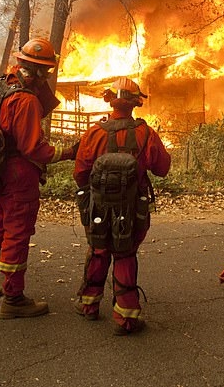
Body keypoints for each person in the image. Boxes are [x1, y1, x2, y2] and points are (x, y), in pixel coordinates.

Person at [0, 38, 77, 318]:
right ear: (39, 72)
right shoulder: (26, 100)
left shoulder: (3, 85)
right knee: (16, 234)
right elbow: (33, 149)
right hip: (19, 174)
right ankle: (13, 298)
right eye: (47, 72)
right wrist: (68, 152)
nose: (48, 77)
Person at [72, 77, 171, 335]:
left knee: (98, 249)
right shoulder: (145, 133)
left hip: (98, 207)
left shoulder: (94, 133)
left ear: (110, 100)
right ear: (135, 103)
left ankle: (88, 305)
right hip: (132, 208)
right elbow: (163, 169)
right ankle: (125, 317)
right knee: (124, 254)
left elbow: (80, 173)